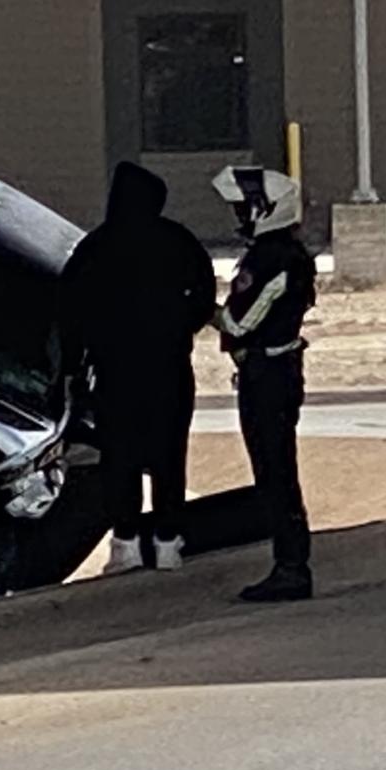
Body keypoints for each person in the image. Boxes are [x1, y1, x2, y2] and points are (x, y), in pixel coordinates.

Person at [61, 162, 217, 574]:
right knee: (170, 453)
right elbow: (204, 296)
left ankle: (126, 543)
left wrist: (75, 364)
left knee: (120, 457)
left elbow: (70, 309)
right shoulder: (177, 241)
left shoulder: (97, 246)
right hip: (169, 368)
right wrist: (180, 328)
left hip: (114, 372)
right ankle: (168, 541)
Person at [213, 167, 317, 602]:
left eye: (245, 207)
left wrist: (196, 303)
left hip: (268, 374)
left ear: (265, 209)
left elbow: (239, 323)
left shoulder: (270, 259)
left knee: (275, 471)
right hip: (276, 370)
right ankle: (289, 563)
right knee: (275, 469)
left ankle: (291, 567)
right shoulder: (287, 254)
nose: (240, 215)